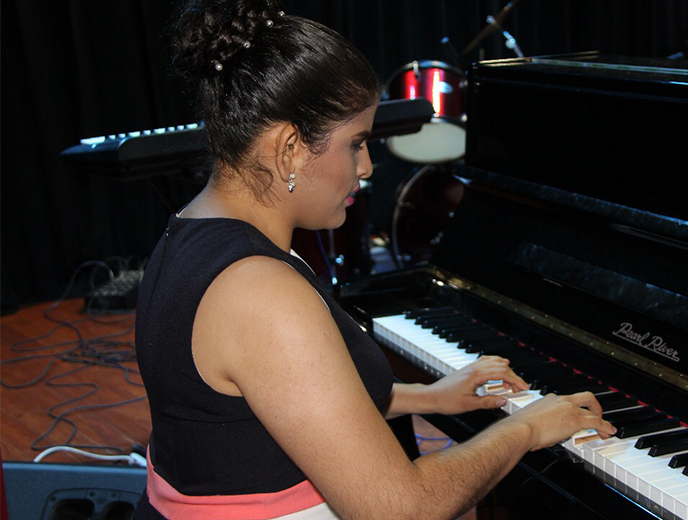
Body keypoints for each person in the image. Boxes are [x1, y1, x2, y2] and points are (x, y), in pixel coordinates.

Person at [132, 1, 615, 519]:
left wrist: (429, 398)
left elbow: (281, 402)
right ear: (289, 147)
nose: (365, 168)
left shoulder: (193, 229)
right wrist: (524, 428)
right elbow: (399, 509)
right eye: (356, 144)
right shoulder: (259, 291)